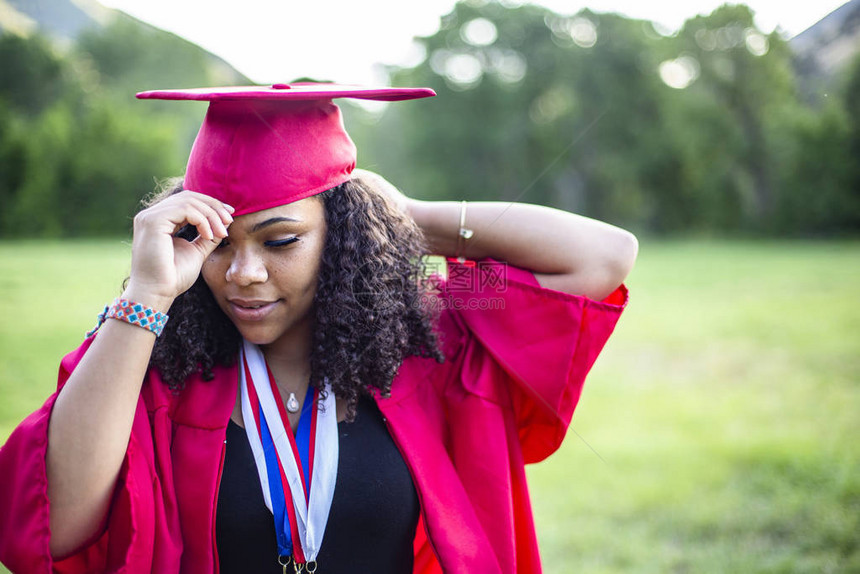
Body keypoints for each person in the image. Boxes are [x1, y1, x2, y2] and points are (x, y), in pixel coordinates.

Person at [0, 83, 637, 574]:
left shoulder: (432, 324)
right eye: (214, 243)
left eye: (281, 241)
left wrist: (406, 218)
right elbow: (54, 528)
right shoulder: (151, 355)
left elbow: (600, 258)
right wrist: (147, 295)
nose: (243, 274)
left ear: (342, 236)